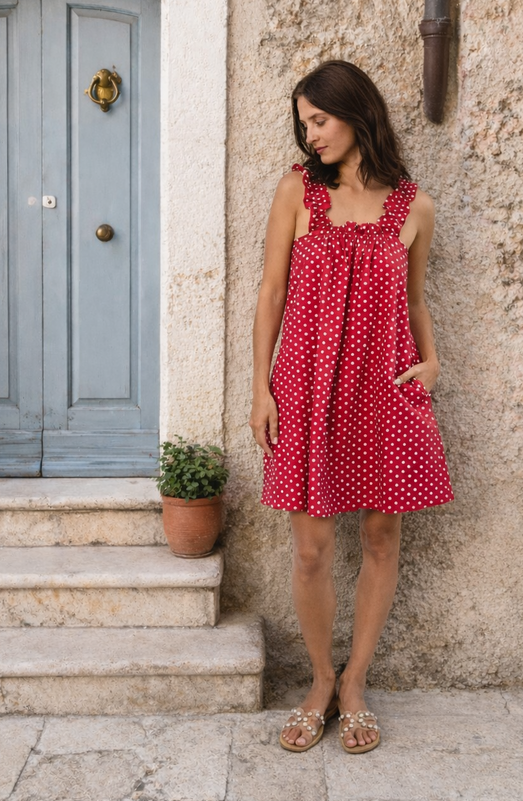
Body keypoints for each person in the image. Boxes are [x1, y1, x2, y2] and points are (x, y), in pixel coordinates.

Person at [249, 60, 454, 754]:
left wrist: (431, 363)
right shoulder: (297, 190)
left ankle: (355, 683)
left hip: (384, 391)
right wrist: (260, 388)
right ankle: (317, 678)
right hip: (306, 388)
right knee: (309, 548)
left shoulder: (412, 206)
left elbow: (417, 301)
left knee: (379, 537)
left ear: (354, 111)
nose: (310, 136)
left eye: (319, 120)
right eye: (303, 124)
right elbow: (271, 293)